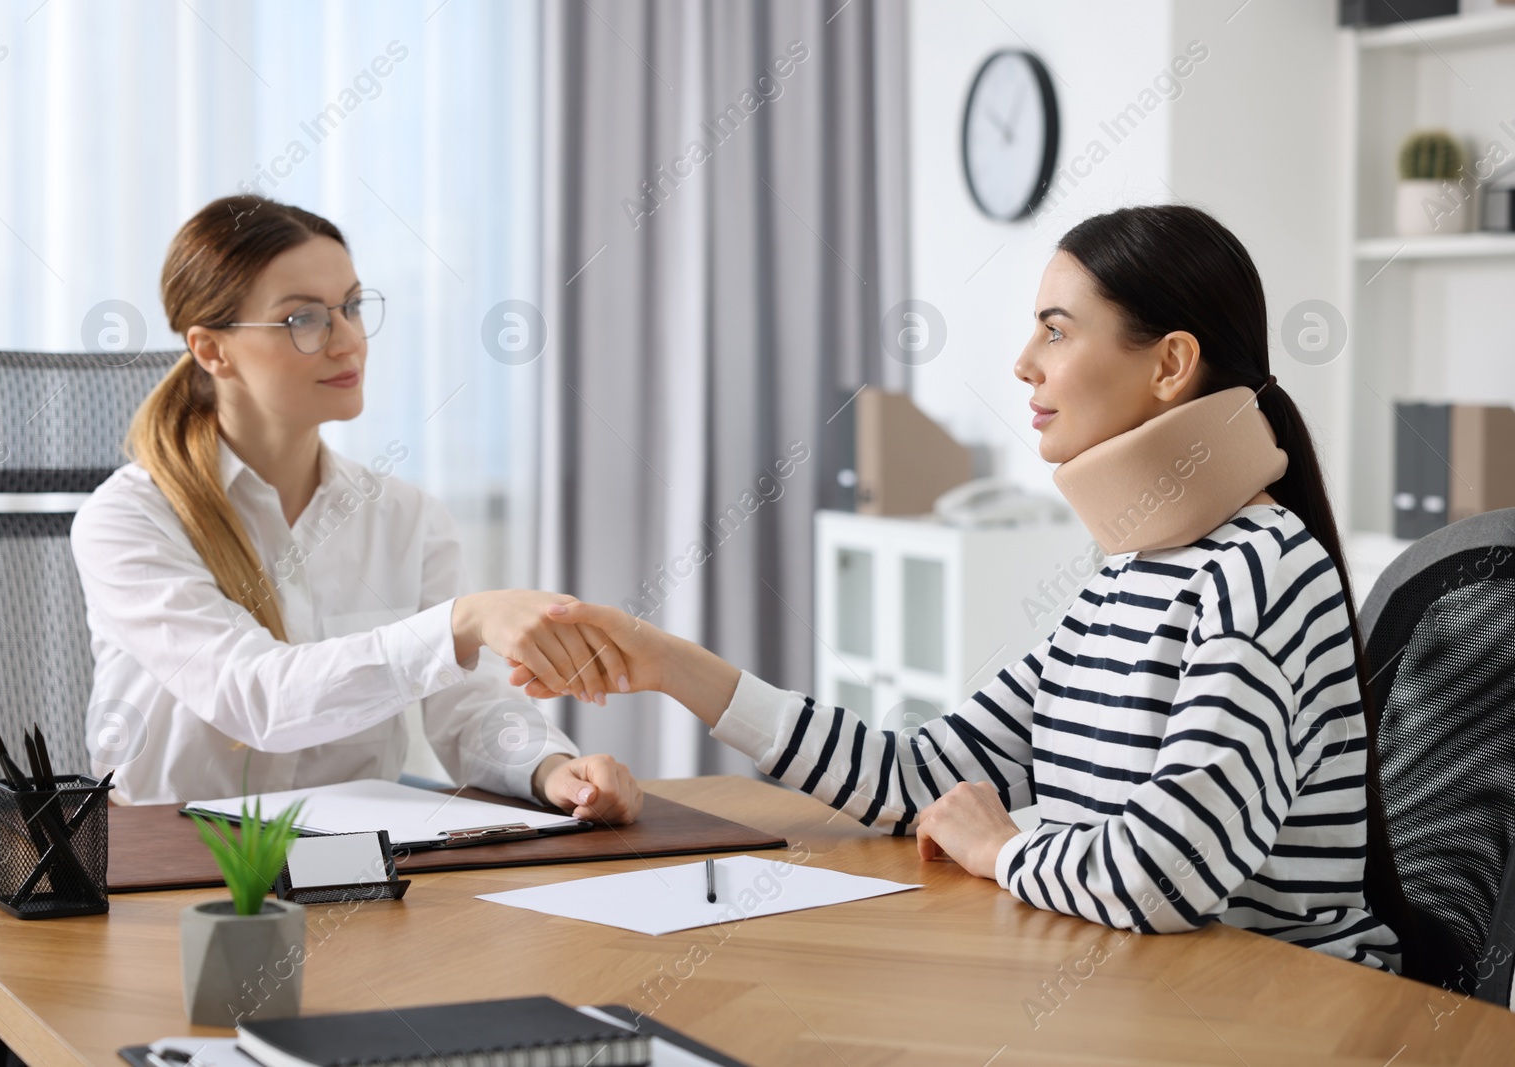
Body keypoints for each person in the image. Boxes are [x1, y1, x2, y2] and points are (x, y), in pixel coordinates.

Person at [516, 205, 1404, 971]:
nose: (1025, 363)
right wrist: (671, 664)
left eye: (1056, 329)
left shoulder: (1262, 572)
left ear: (1171, 364)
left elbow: (1164, 874)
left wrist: (1005, 847)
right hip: (1141, 977)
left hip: (1278, 1001)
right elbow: (919, 775)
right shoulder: (1125, 578)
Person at [71, 195, 641, 824]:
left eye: (352, 307)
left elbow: (466, 708)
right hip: (174, 865)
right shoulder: (129, 520)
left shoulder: (406, 516)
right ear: (212, 350)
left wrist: (550, 771)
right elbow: (255, 698)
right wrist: (459, 623)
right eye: (303, 319)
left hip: (356, 863)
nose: (348, 342)